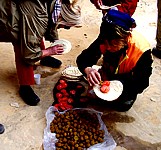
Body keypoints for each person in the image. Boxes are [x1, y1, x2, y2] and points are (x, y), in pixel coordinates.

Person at [0, 0, 81, 106]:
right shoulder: (38, 17)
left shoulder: (56, 5)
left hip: (23, 9)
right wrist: (49, 51)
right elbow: (28, 53)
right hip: (5, 16)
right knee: (22, 43)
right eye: (67, 26)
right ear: (61, 17)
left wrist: (53, 40)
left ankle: (43, 57)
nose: (66, 28)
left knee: (34, 33)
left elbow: (45, 25)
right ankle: (25, 86)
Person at [76, 9, 153, 112]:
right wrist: (88, 69)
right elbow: (83, 58)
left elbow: (142, 83)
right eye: (106, 43)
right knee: (92, 97)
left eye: (113, 44)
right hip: (108, 73)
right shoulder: (106, 38)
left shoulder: (141, 51)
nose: (107, 47)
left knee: (123, 105)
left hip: (127, 81)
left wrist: (118, 89)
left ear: (125, 38)